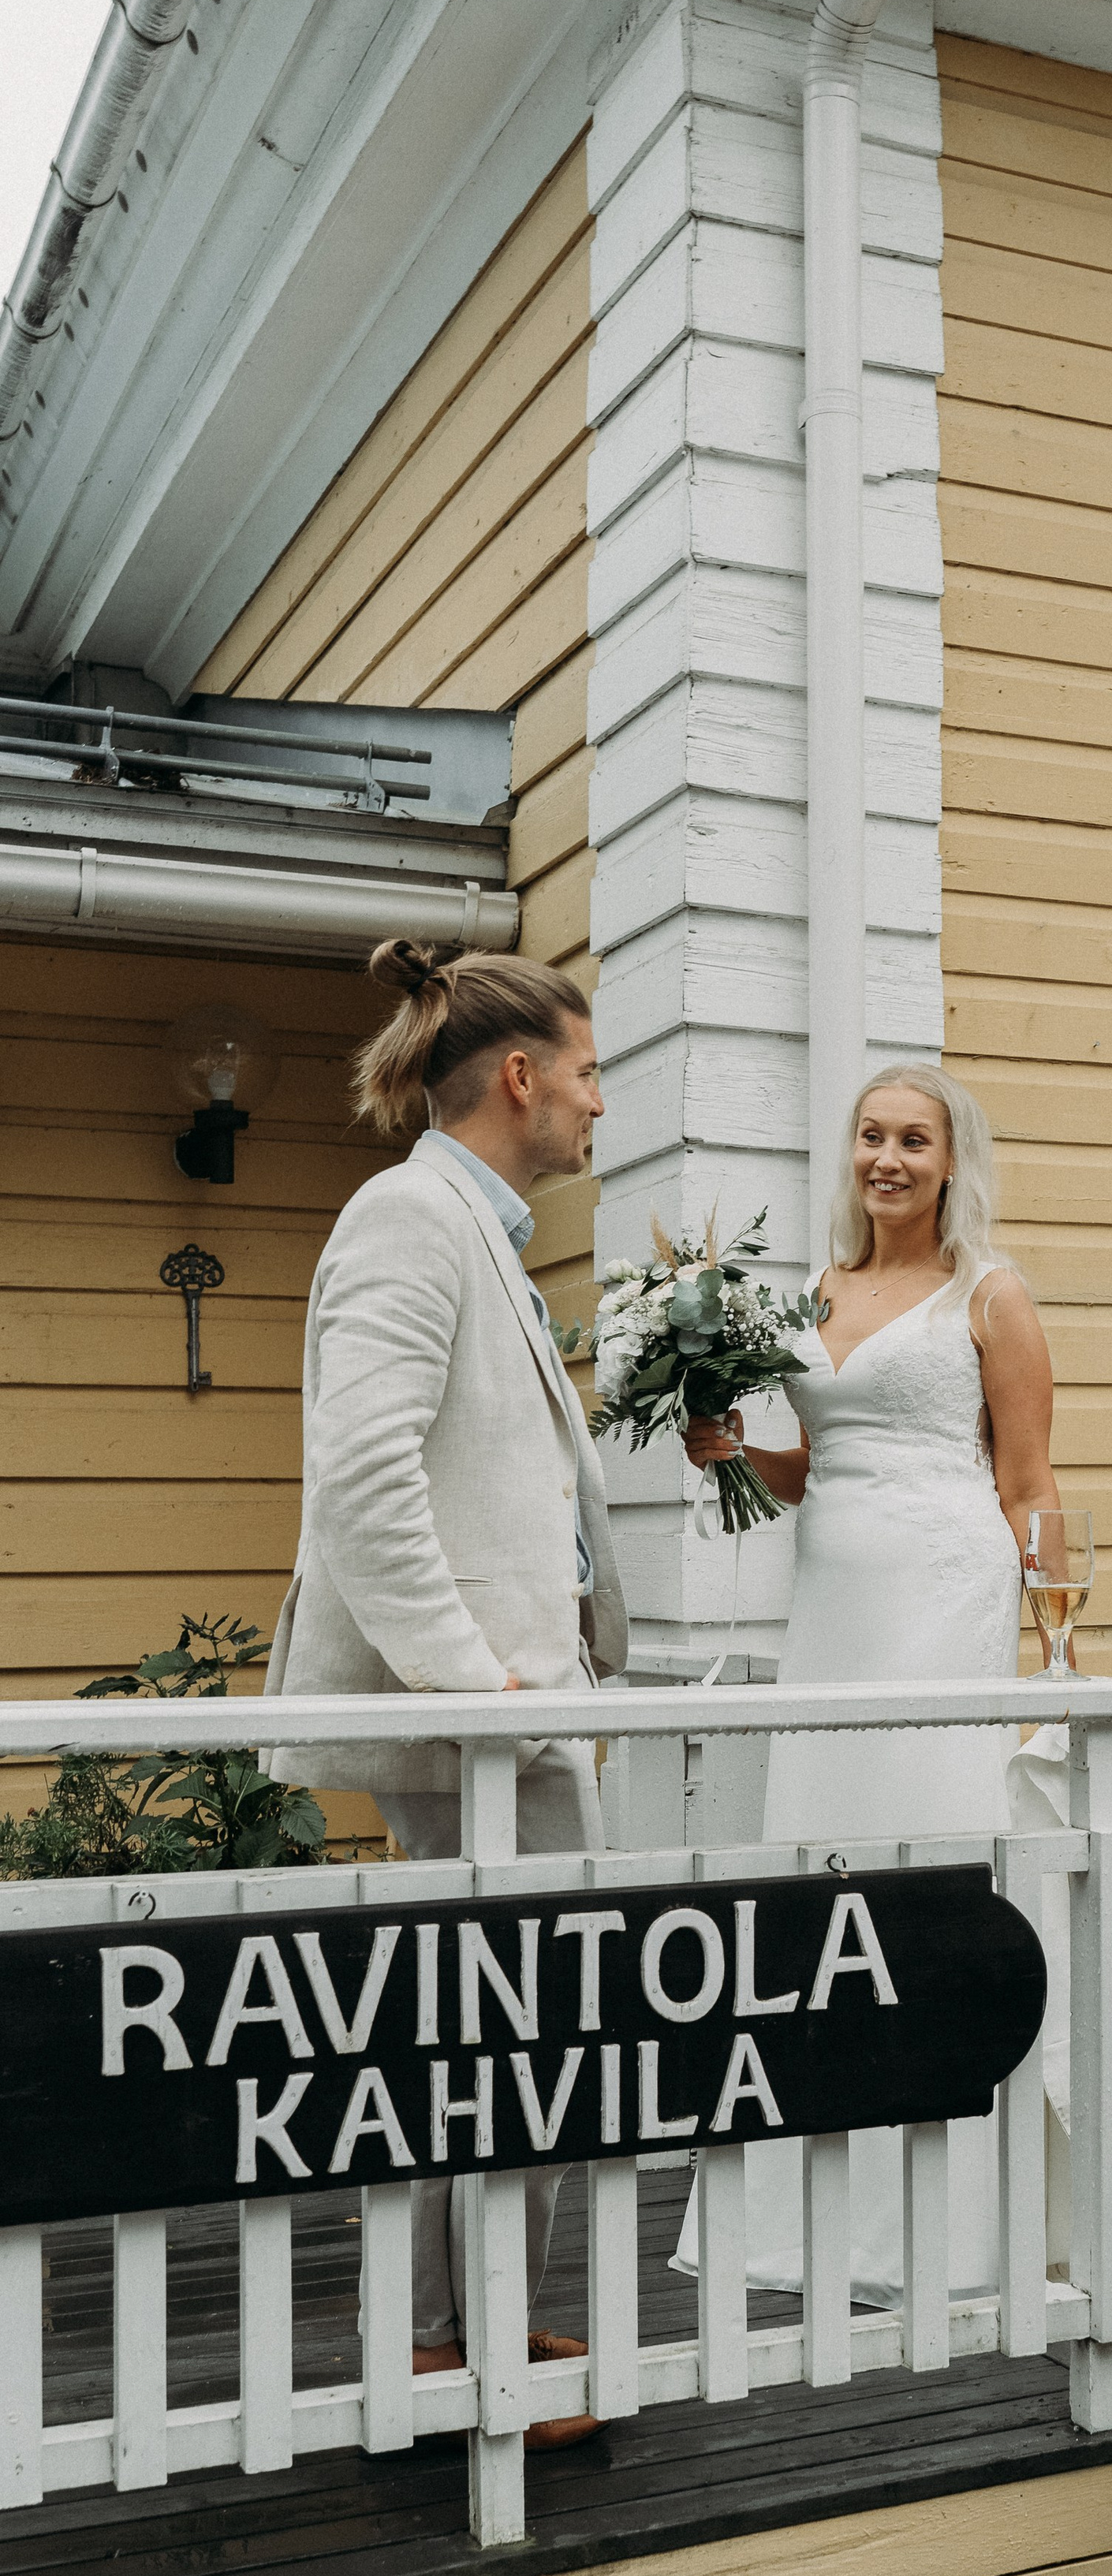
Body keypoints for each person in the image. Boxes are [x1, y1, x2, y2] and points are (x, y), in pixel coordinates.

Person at [263, 940, 627, 2443]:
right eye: (590, 1073)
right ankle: (436, 2350)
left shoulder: (479, 1227)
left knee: (512, 2034)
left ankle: (471, 2325)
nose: (601, 1102)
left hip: (527, 1713)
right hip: (485, 1723)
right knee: (493, 2038)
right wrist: (480, 1688)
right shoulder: (410, 1218)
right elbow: (362, 1483)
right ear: (522, 1076)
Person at [677, 1061, 1065, 2302]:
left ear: (952, 1162)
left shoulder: (990, 1294)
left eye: (913, 1140)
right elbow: (817, 1462)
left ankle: (946, 2226)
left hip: (942, 1600)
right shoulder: (819, 1287)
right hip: (832, 1609)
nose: (887, 1158)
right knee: (822, 1863)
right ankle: (802, 2221)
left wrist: (1053, 1646)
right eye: (870, 1136)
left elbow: (1027, 1485)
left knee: (923, 1858)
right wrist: (733, 1452)